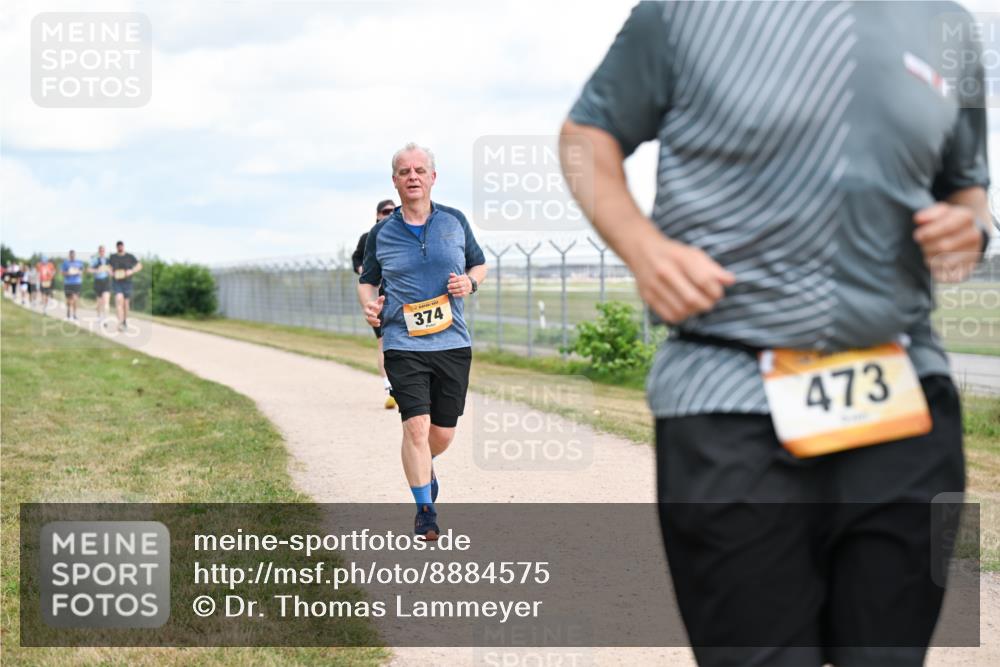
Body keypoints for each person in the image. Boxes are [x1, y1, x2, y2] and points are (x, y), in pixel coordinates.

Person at [560, 3, 992, 666]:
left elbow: (966, 189)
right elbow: (587, 135)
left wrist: (970, 228)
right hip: (728, 394)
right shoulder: (681, 12)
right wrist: (642, 248)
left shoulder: (951, 28)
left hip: (903, 397)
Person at [358, 142, 487, 540]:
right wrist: (370, 307)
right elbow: (368, 280)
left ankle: (424, 464)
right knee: (416, 427)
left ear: (433, 177)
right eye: (404, 171)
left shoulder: (454, 222)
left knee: (441, 432)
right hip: (402, 341)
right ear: (395, 181)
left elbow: (479, 264)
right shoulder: (381, 234)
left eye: (419, 170)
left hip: (452, 341)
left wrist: (471, 282)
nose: (412, 176)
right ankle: (425, 511)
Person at [353, 198, 398, 409]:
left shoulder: (402, 235)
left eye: (393, 210)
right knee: (383, 342)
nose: (390, 214)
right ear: (378, 215)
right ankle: (390, 388)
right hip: (377, 297)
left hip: (399, 297)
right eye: (385, 211)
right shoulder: (369, 237)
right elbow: (357, 259)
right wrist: (365, 270)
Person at [109, 240, 142, 332]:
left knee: (126, 304)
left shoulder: (129, 257)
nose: (120, 247)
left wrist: (131, 271)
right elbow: (109, 267)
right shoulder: (113, 257)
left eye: (121, 246)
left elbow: (139, 266)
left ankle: (124, 321)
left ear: (123, 246)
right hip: (117, 282)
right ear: (116, 247)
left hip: (127, 283)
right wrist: (111, 273)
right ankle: (120, 323)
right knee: (119, 300)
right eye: (118, 246)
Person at [89, 245, 112, 324]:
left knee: (106, 301)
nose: (102, 252)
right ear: (98, 251)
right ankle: (99, 317)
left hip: (106, 281)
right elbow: (89, 270)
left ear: (104, 251)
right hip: (98, 281)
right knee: (99, 302)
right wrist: (96, 270)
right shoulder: (95, 260)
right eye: (100, 250)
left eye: (103, 250)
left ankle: (105, 319)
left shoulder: (108, 260)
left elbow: (111, 272)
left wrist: (109, 270)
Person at [60, 250, 86, 318]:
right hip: (68, 283)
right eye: (71, 255)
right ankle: (68, 310)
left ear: (75, 255)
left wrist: (80, 272)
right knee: (69, 300)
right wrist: (68, 273)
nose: (72, 256)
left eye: (73, 255)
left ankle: (74, 314)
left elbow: (82, 270)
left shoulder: (79, 262)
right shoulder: (65, 263)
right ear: (69, 255)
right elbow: (62, 272)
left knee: (75, 299)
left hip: (77, 283)